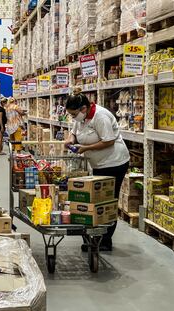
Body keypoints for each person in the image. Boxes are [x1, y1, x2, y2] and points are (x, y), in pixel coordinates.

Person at [64, 88, 130, 251]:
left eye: (74, 114)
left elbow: (109, 141)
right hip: (99, 164)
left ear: (83, 108)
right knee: (93, 200)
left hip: (114, 162)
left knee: (107, 200)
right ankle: (94, 238)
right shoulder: (81, 117)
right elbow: (74, 131)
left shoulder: (100, 116)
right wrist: (70, 139)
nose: (73, 117)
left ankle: (105, 241)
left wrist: (85, 148)